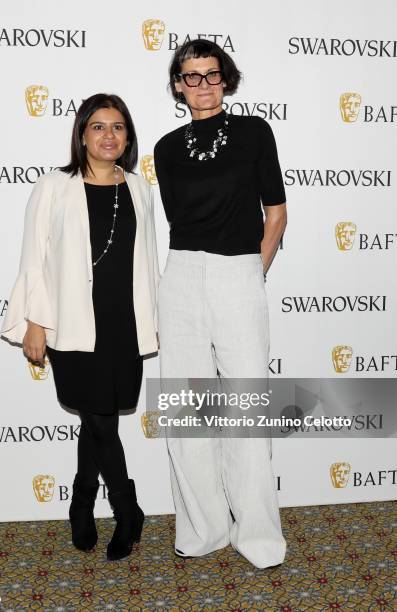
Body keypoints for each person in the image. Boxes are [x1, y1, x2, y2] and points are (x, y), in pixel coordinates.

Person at [1, 93, 159, 561]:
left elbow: (147, 262)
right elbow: (34, 257)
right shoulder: (55, 185)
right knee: (98, 419)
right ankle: (128, 510)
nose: (108, 136)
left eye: (118, 127)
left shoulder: (139, 188)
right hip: (70, 325)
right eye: (98, 127)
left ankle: (81, 503)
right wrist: (34, 322)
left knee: (98, 419)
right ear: (82, 134)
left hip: (123, 326)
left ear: (128, 136)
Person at [154, 40, 287, 568]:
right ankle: (203, 529)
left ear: (226, 80)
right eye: (191, 76)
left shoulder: (255, 132)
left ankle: (257, 536)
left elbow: (275, 215)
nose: (203, 84)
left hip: (238, 271)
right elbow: (178, 223)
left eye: (212, 74)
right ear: (178, 85)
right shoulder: (165, 148)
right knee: (187, 413)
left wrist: (252, 273)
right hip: (181, 277)